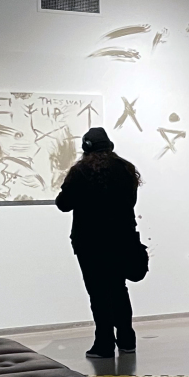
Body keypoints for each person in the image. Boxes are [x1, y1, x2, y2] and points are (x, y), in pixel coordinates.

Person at [56, 127, 141, 359]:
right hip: (122, 239)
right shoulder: (126, 169)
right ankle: (127, 339)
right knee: (119, 289)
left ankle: (104, 344)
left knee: (98, 293)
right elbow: (131, 202)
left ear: (86, 147)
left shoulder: (81, 171)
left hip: (90, 242)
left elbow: (63, 204)